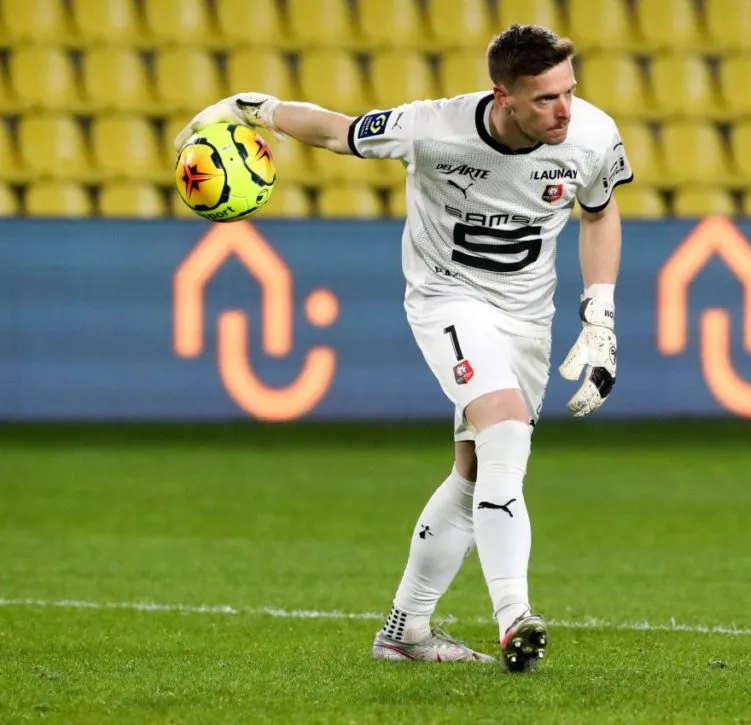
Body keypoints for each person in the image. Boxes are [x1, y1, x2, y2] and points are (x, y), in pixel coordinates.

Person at [174, 23, 632, 673]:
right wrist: (255, 109)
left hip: (529, 318)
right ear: (502, 96)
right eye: (546, 98)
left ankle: (405, 628)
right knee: (504, 432)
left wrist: (601, 316)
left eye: (570, 91)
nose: (564, 109)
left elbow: (599, 211)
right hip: (447, 300)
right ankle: (515, 619)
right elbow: (339, 130)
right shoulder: (432, 128)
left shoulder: (590, 134)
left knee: (476, 472)